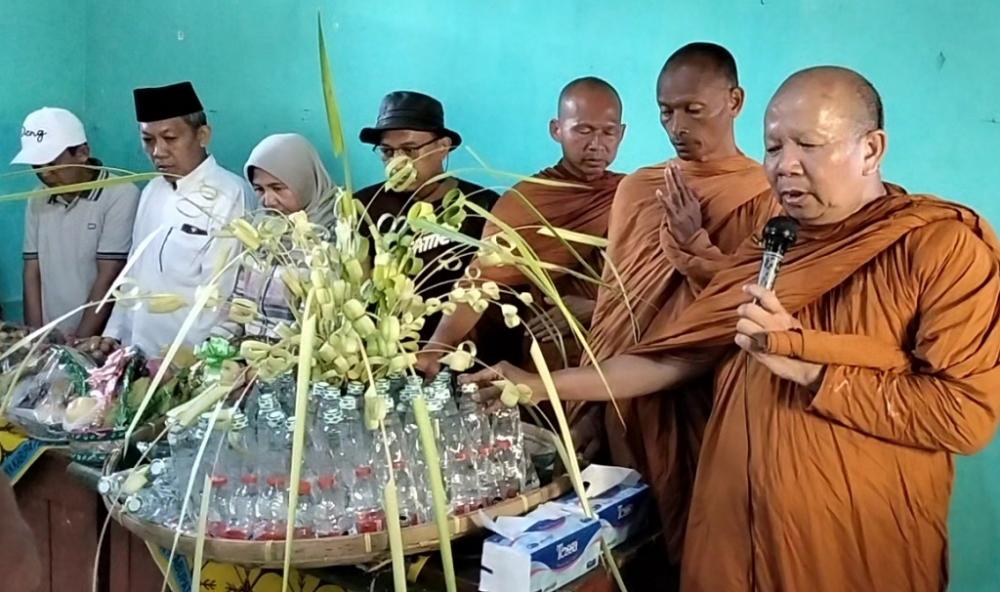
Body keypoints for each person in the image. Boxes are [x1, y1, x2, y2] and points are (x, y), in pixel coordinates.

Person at [466, 66, 1000, 591]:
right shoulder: (770, 246)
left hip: (850, 543)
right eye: (773, 147)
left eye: (808, 145)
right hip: (730, 535)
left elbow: (965, 416)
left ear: (871, 149)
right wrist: (537, 385)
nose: (785, 166)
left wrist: (812, 370)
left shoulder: (940, 248)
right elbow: (678, 356)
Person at [573, 42, 778, 567]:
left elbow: (759, 305)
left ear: (734, 101)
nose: (677, 127)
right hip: (627, 403)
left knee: (705, 549)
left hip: (711, 401)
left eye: (693, 110)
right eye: (666, 112)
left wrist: (698, 249)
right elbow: (613, 307)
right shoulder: (641, 189)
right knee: (630, 553)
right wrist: (590, 405)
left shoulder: (767, 194)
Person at [418, 76, 626, 373]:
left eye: (608, 132)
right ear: (556, 129)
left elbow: (658, 285)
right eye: (583, 130)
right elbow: (480, 280)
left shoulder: (633, 194)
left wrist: (598, 308)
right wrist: (437, 347)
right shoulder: (528, 201)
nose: (596, 145)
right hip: (556, 354)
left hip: (625, 349)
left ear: (622, 133)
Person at [106, 81, 250, 357]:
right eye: (148, 140)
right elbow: (133, 271)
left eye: (170, 138)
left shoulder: (230, 195)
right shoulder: (152, 190)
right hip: (135, 350)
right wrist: (113, 335)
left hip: (188, 359)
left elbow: (222, 297)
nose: (158, 151)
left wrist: (195, 363)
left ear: (203, 135)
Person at [355, 91, 501, 356]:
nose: (397, 162)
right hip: (385, 355)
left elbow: (493, 287)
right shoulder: (364, 206)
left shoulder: (483, 205)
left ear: (442, 147)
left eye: (410, 150)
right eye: (387, 152)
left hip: (462, 355)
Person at [14, 107, 140, 338]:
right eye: (36, 166)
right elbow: (32, 270)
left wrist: (81, 342)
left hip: (97, 336)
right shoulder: (38, 198)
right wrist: (36, 337)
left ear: (82, 153)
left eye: (51, 163)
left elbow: (109, 275)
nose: (45, 174)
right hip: (51, 333)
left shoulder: (120, 194)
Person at [214, 133, 336, 340]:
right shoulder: (260, 231)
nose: (268, 200)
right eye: (259, 189)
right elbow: (237, 308)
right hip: (250, 355)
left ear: (304, 181)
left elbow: (326, 325)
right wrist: (216, 346)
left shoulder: (333, 236)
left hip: (300, 357)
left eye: (278, 188)